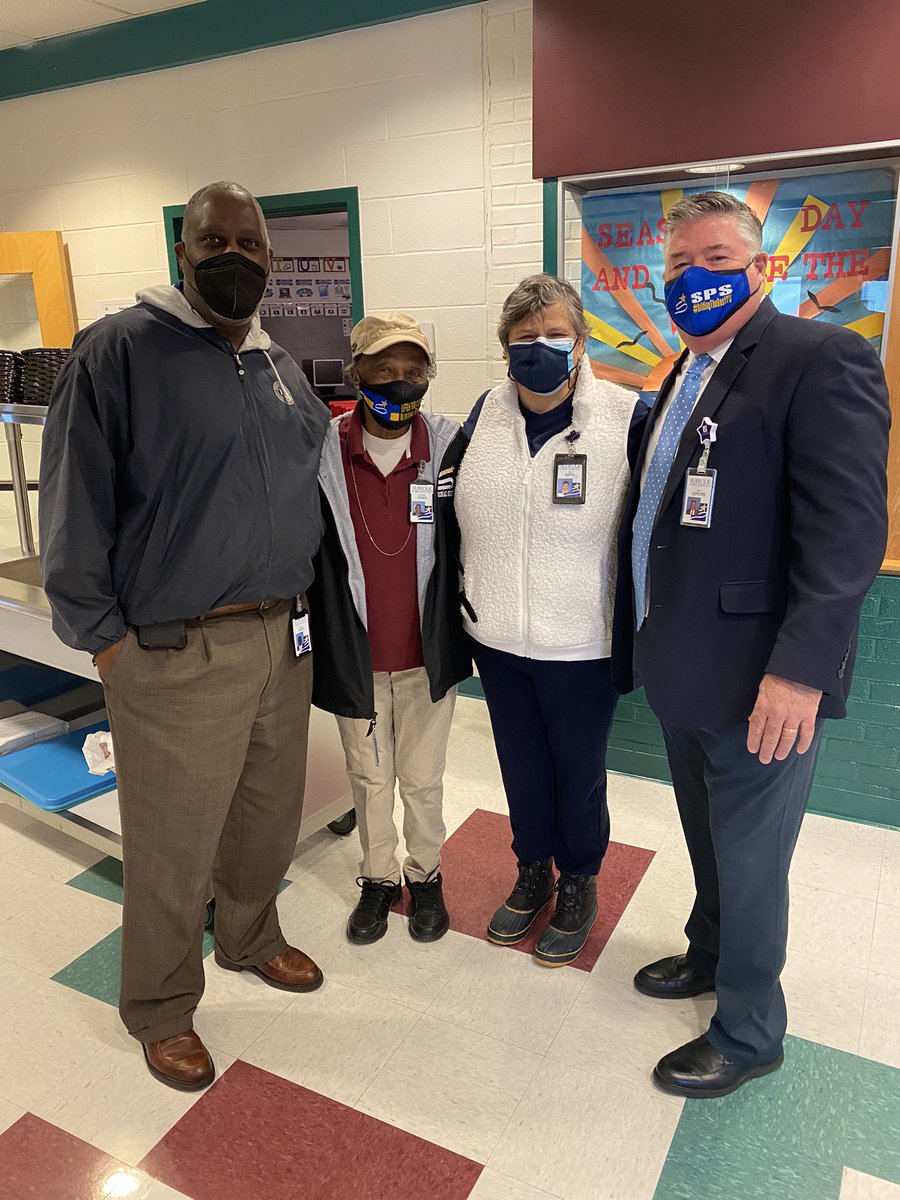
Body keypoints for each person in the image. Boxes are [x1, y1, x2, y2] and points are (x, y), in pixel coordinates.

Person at [39, 181, 330, 1091]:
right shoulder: (120, 352)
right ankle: (161, 1005)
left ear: (270, 260)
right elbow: (73, 501)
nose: (231, 255)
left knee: (265, 817)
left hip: (282, 637)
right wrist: (104, 640)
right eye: (214, 240)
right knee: (171, 841)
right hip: (174, 649)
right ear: (182, 251)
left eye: (248, 242)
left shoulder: (279, 364)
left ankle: (249, 935)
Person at [611, 190, 890, 1098]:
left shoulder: (819, 359)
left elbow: (847, 534)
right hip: (685, 668)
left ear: (762, 267)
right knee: (710, 842)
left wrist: (800, 675)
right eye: (679, 265)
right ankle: (710, 954)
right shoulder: (682, 374)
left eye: (717, 259)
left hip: (763, 685)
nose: (695, 279)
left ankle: (749, 1028)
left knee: (753, 856)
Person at [452, 274, 642, 967]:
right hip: (498, 640)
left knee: (578, 772)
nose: (540, 348)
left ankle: (579, 881)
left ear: (582, 341)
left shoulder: (625, 417)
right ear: (505, 350)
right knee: (522, 769)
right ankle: (532, 870)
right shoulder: (483, 416)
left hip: (582, 643)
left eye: (555, 335)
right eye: (524, 338)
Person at [307, 313, 470, 945]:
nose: (399, 384)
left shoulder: (449, 444)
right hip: (357, 653)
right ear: (357, 373)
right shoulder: (324, 450)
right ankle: (377, 880)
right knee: (370, 779)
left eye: (413, 371)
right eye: (383, 370)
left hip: (428, 655)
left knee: (423, 780)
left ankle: (425, 874)